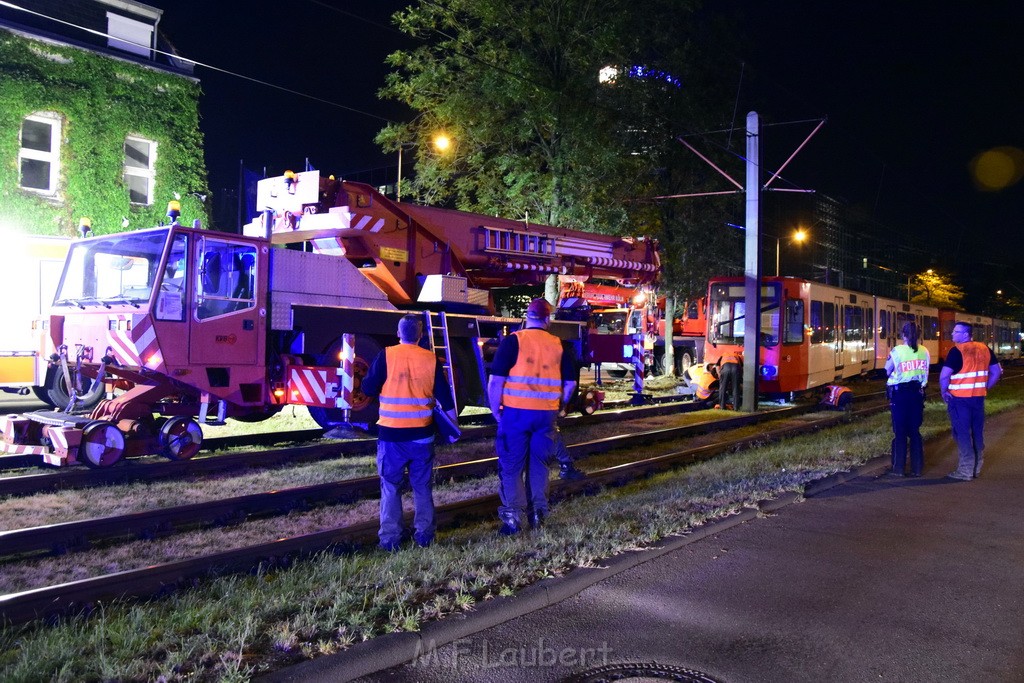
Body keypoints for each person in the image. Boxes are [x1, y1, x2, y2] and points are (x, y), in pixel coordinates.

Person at [361, 314, 458, 551]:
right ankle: (424, 535)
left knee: (391, 487)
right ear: (421, 335)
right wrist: (453, 428)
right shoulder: (431, 359)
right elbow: (446, 401)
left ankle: (390, 539)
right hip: (422, 436)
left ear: (398, 333)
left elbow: (368, 388)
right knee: (422, 487)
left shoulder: (386, 355)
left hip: (392, 436)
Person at [488, 297, 578, 534]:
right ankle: (538, 515)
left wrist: (495, 410)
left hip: (515, 416)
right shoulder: (560, 345)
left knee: (511, 467)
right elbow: (570, 384)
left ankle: (513, 520)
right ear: (547, 319)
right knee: (539, 465)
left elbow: (496, 381)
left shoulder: (513, 342)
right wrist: (560, 406)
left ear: (527, 317)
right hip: (545, 418)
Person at [939, 322, 1002, 480]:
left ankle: (965, 471)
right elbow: (996, 372)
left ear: (966, 334)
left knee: (962, 434)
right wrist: (985, 387)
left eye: (956, 332)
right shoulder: (984, 348)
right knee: (977, 432)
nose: (952, 334)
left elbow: (944, 375)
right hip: (978, 399)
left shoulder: (957, 350)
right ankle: (976, 468)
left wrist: (944, 391)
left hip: (960, 400)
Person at [884, 321, 930, 477]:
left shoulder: (897, 351)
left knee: (900, 432)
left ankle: (899, 469)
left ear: (903, 335)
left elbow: (887, 370)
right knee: (915, 432)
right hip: (917, 394)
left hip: (900, 395)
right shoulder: (924, 351)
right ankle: (917, 469)